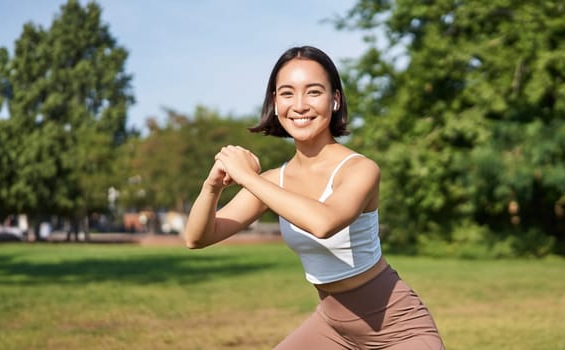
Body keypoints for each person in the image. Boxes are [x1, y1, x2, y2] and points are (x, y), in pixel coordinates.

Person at [183, 46, 445, 349]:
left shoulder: (360, 169)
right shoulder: (273, 182)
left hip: (399, 330)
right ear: (274, 103)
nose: (299, 105)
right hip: (333, 329)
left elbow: (324, 222)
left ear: (335, 100)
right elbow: (197, 238)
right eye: (287, 93)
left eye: (313, 92)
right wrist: (211, 187)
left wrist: (247, 177)